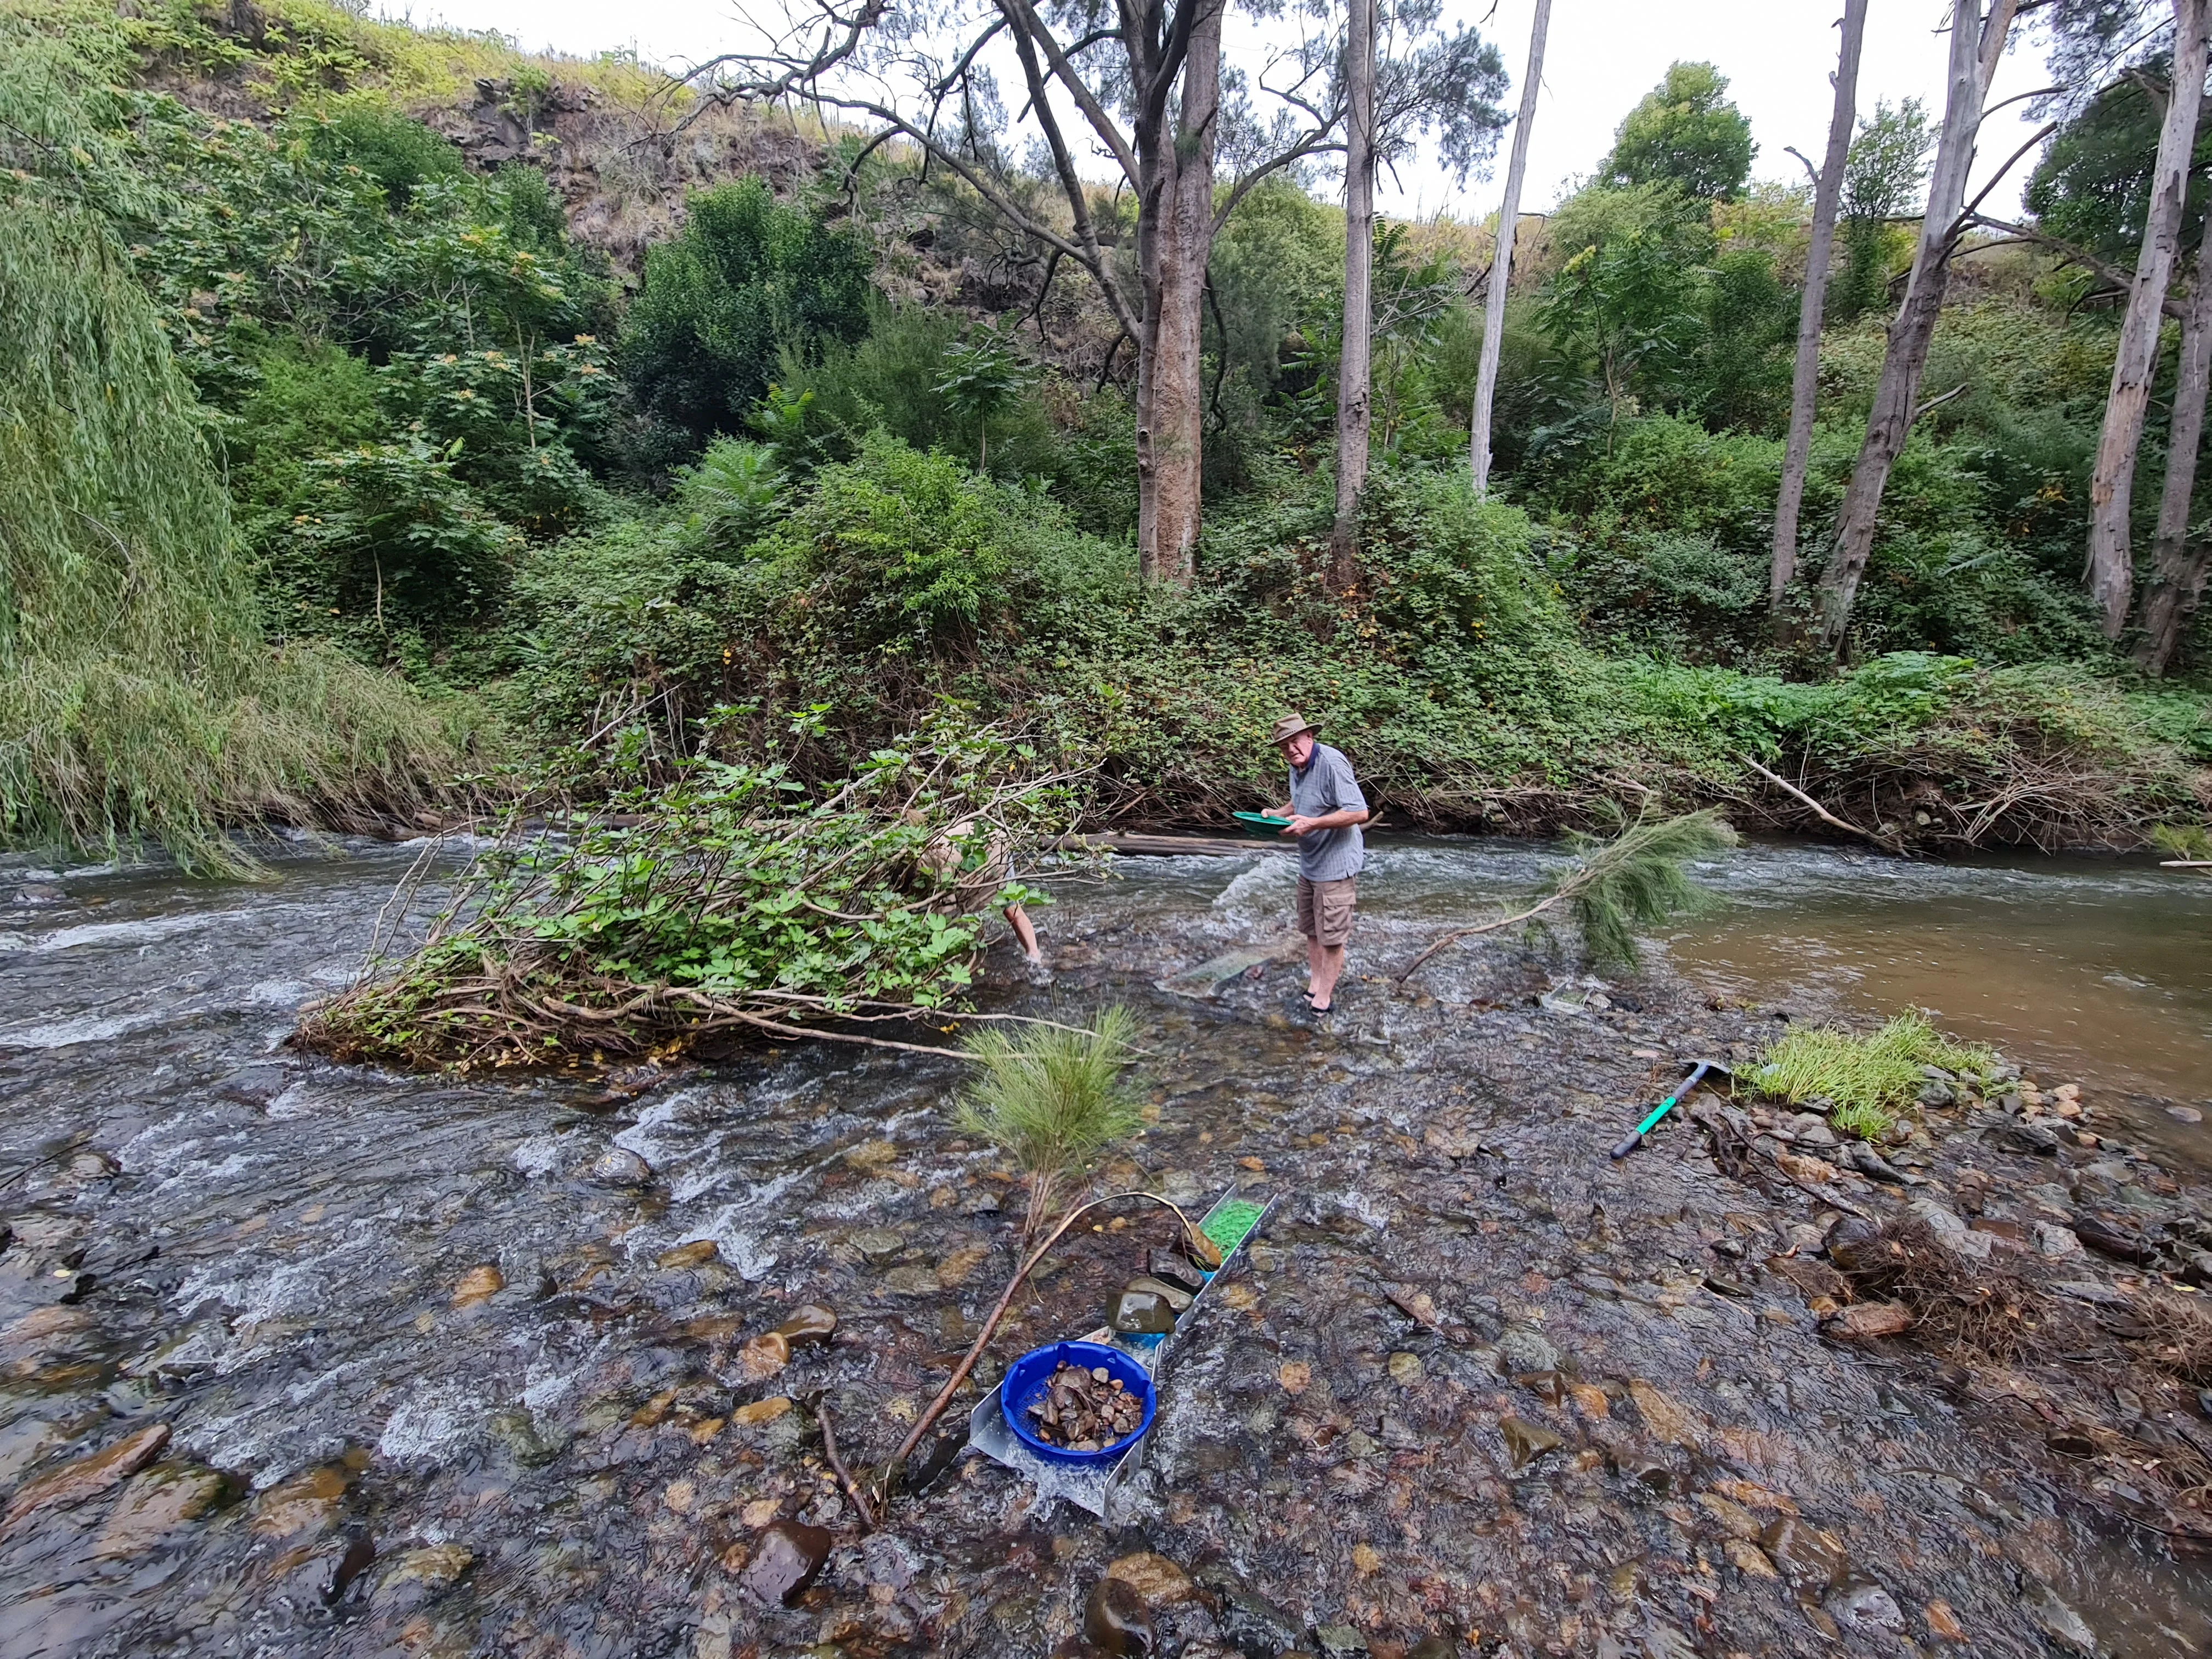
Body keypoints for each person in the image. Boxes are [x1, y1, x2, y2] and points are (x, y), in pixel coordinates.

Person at [1268, 713, 1370, 1013]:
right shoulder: (1296, 766)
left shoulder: (1332, 763)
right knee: (1312, 930)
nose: (1291, 750)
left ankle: (1324, 999)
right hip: (1310, 863)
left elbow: (1359, 812)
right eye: (1285, 746)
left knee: (1332, 937)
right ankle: (1314, 986)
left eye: (1295, 742)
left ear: (1310, 737)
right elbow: (1299, 803)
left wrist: (1312, 824)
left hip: (1336, 865)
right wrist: (1276, 814)